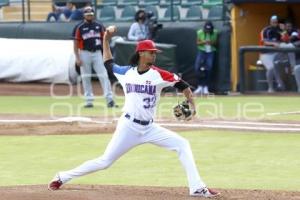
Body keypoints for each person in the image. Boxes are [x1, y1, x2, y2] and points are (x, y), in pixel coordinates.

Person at [48, 25, 220, 198]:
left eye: (155, 52)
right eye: (151, 52)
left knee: (182, 144)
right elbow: (108, 62)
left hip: (150, 128)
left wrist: (193, 106)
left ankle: (197, 187)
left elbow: (184, 86)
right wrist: (106, 40)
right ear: (141, 54)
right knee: (105, 162)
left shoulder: (160, 75)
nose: (154, 54)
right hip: (129, 126)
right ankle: (62, 176)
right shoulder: (126, 73)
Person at [72, 6, 116, 108]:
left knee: (104, 75)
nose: (89, 16)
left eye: (91, 14)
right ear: (84, 15)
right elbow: (75, 43)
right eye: (87, 15)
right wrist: (77, 57)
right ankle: (89, 101)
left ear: (93, 14)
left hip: (97, 53)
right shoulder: (79, 27)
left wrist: (109, 34)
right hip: (84, 53)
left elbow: (105, 40)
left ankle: (110, 100)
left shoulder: (99, 25)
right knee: (86, 77)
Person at [260, 15, 285, 93]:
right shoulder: (265, 30)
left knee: (278, 66)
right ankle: (271, 88)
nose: (275, 23)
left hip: (276, 53)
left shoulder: (280, 30)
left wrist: (284, 31)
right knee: (271, 68)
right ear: (270, 22)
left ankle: (280, 85)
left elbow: (287, 40)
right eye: (273, 21)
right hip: (266, 54)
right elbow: (264, 41)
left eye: (276, 21)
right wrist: (274, 44)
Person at [193, 21, 218, 95]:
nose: (208, 31)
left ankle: (205, 87)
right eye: (206, 30)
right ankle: (200, 86)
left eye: (209, 30)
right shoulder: (199, 32)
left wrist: (210, 42)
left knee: (209, 68)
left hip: (210, 52)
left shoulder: (215, 32)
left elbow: (216, 43)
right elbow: (197, 43)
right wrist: (204, 42)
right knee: (197, 68)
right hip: (202, 51)